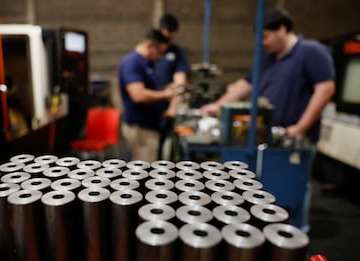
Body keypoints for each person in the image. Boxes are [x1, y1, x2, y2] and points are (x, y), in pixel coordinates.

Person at [201, 8, 335, 231]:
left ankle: (297, 233)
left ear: (282, 29)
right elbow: (246, 84)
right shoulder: (269, 60)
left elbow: (325, 89)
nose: (263, 43)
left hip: (295, 140)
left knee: (295, 187)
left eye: (266, 36)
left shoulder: (311, 52)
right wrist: (217, 106)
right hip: (270, 138)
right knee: (272, 187)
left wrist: (300, 128)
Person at [119, 29, 179, 162]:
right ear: (149, 45)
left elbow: (148, 90)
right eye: (159, 52)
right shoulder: (132, 63)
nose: (160, 57)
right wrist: (165, 94)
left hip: (149, 128)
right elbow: (138, 95)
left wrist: (166, 89)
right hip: (141, 129)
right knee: (144, 172)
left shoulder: (146, 64)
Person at [154, 13, 190, 159]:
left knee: (165, 154)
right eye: (164, 30)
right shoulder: (151, 50)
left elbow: (180, 82)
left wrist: (172, 107)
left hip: (165, 111)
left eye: (170, 31)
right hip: (147, 113)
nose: (167, 34)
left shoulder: (177, 53)